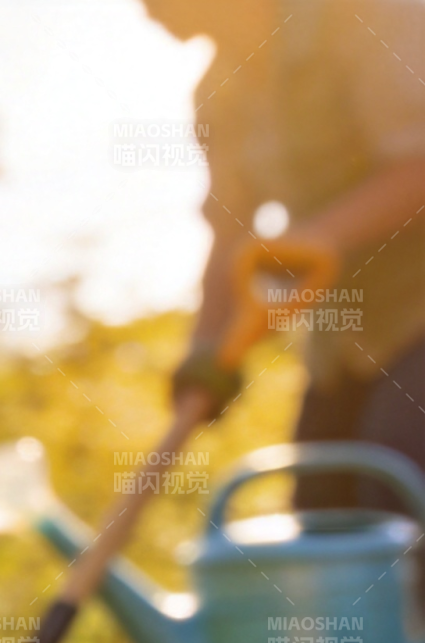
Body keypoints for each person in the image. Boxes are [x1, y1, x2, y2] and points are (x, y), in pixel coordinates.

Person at [146, 0, 425, 508]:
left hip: (415, 314)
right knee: (319, 509)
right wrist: (205, 352)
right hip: (343, 345)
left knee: (396, 490)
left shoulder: (363, 17)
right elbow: (229, 232)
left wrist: (321, 236)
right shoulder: (220, 95)